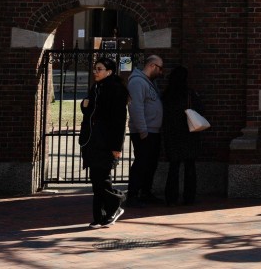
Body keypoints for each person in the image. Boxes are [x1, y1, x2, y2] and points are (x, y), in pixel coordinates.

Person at [79, 57, 129, 228]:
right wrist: (84, 105)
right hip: (92, 140)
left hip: (106, 142)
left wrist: (117, 146)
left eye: (99, 69)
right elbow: (89, 109)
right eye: (95, 69)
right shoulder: (96, 87)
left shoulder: (116, 90)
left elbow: (119, 121)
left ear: (109, 71)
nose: (95, 72)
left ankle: (115, 204)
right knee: (96, 179)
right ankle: (99, 216)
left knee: (102, 179)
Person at [161, 65, 204, 206]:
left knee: (174, 166)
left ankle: (171, 197)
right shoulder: (190, 94)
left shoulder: (167, 95)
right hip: (189, 133)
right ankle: (189, 196)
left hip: (172, 134)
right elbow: (200, 109)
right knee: (190, 166)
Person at [127, 54, 165, 206]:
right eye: (160, 68)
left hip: (153, 130)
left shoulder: (149, 83)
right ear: (151, 66)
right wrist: (143, 130)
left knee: (150, 164)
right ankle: (133, 195)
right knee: (141, 164)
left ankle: (146, 192)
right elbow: (136, 107)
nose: (161, 72)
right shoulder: (137, 82)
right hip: (144, 131)